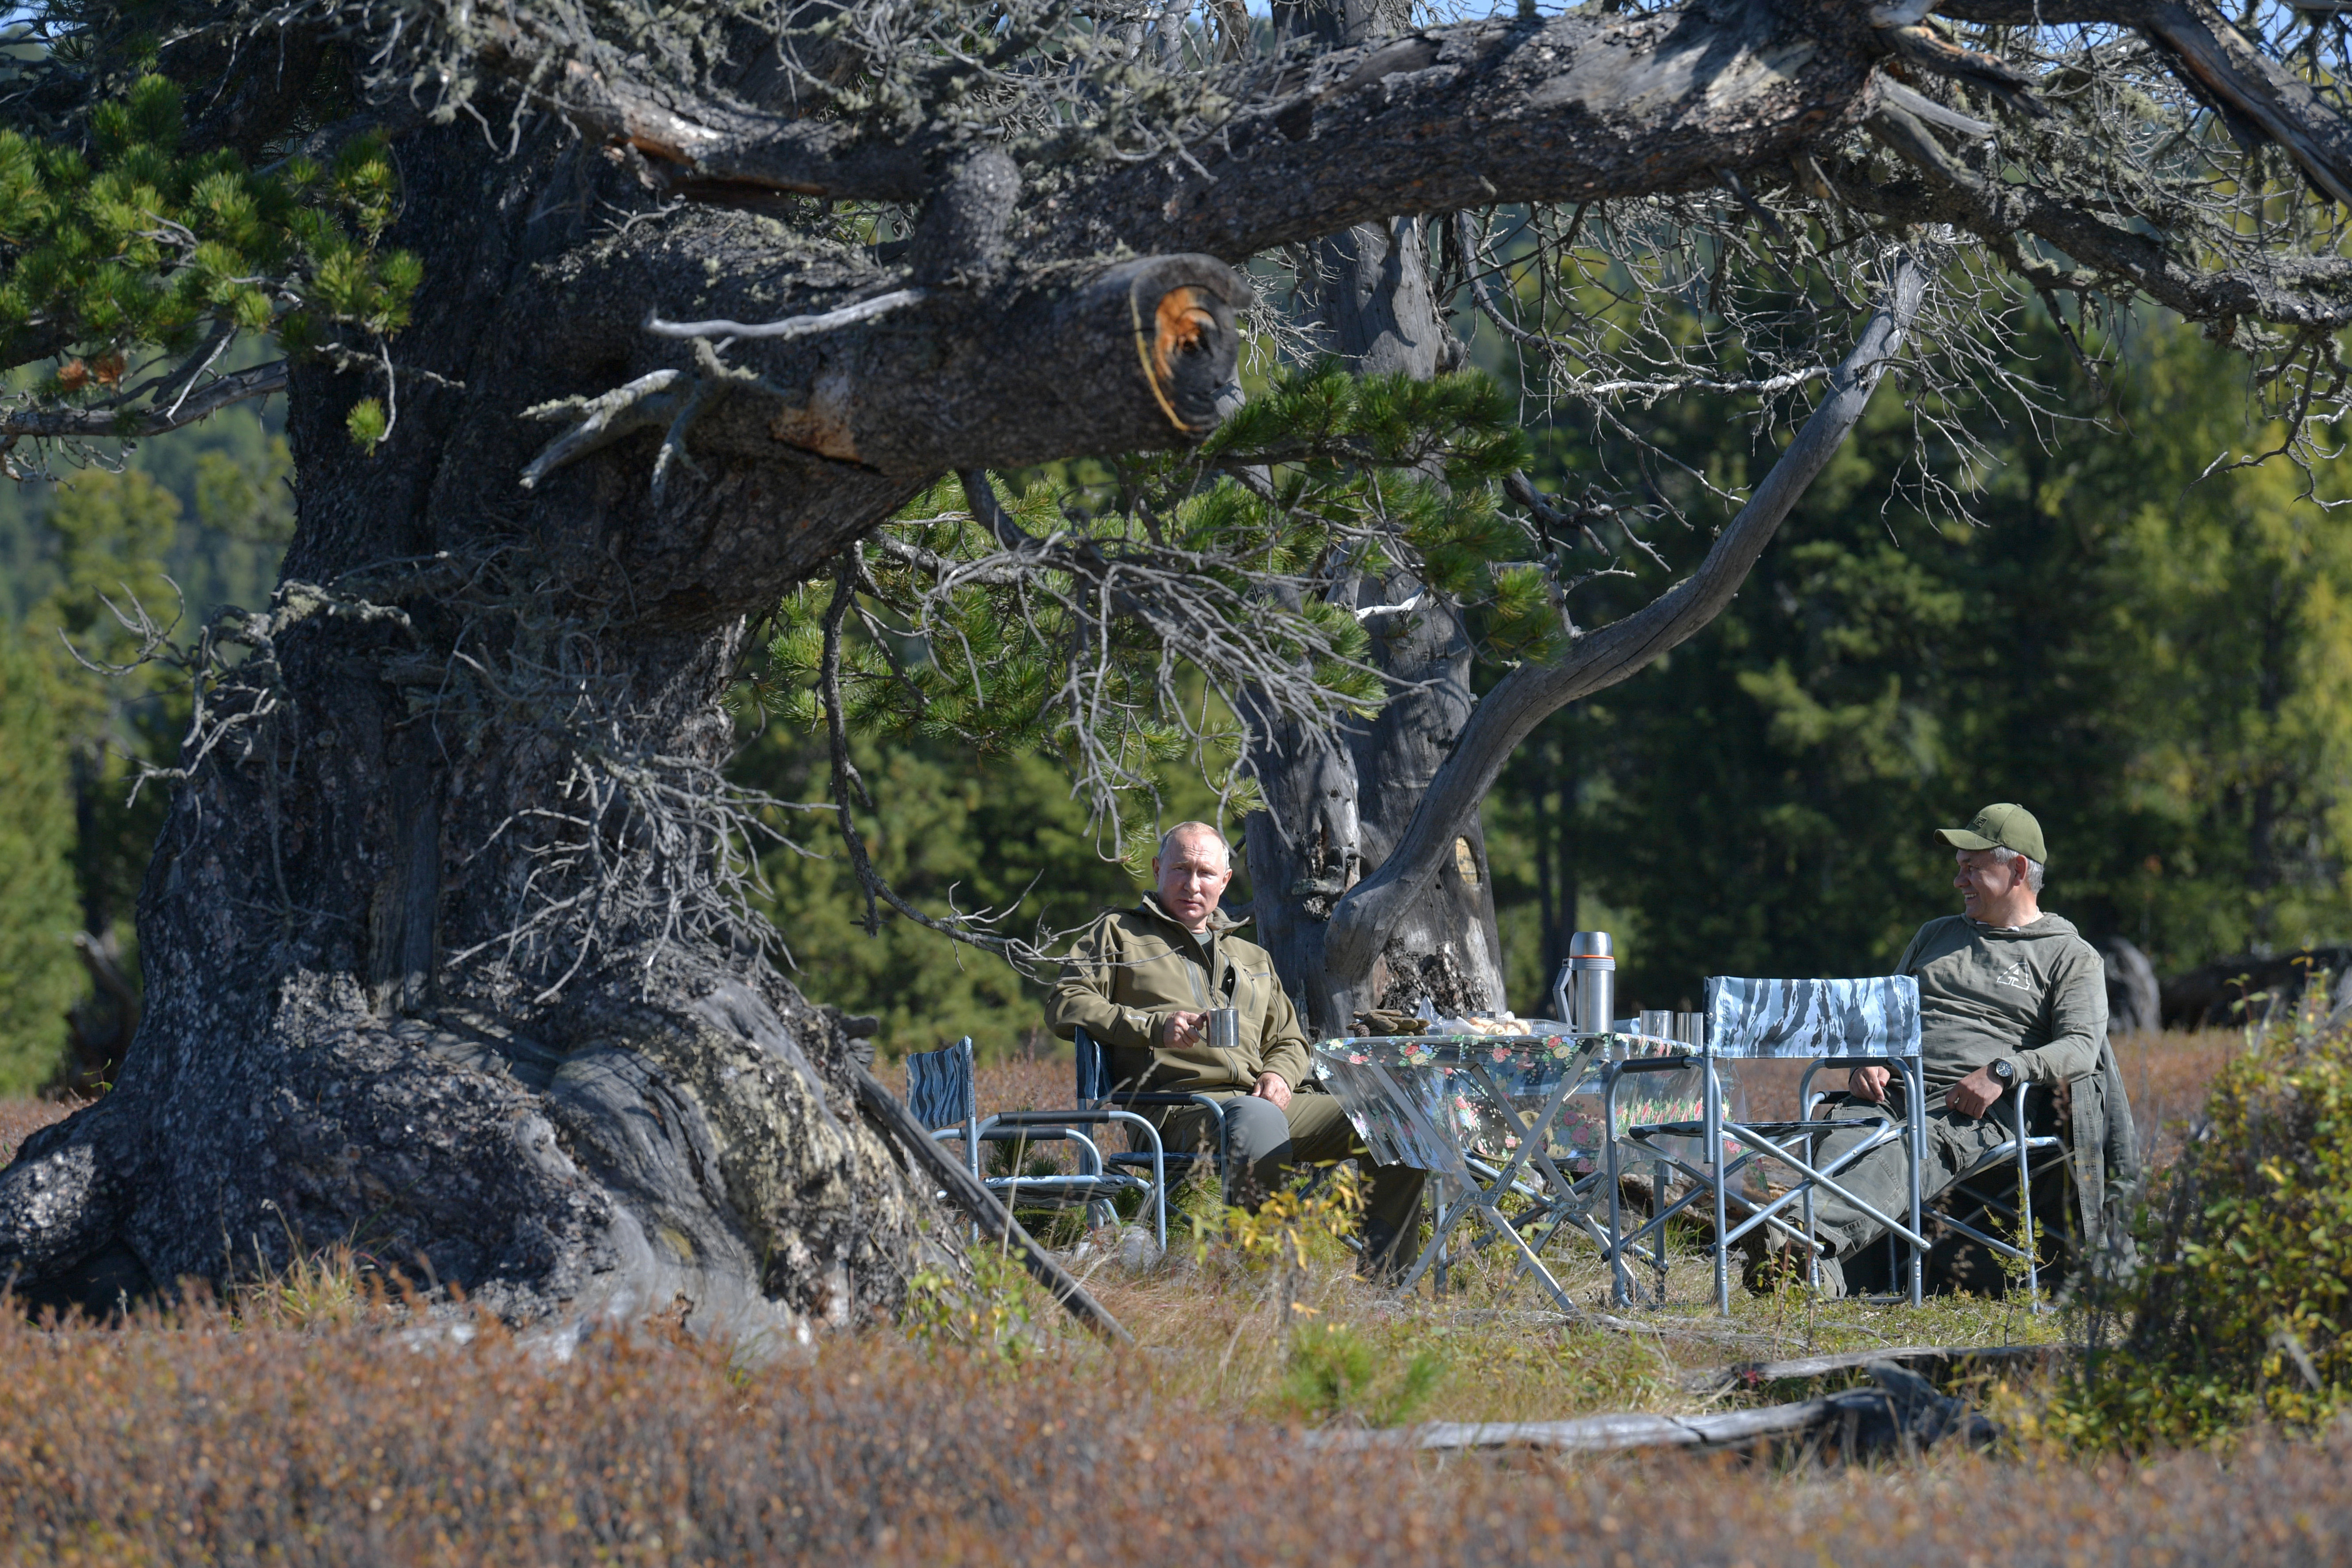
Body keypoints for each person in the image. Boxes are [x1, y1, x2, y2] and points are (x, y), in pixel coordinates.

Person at [1762, 803, 2139, 1295]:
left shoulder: (2068, 955)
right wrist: (1868, 1059)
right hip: (1894, 1089)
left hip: (1977, 1106)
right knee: (1848, 1133)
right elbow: (1883, 1018)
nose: (1959, 880)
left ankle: (1797, 1246)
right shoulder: (1934, 936)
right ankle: (1804, 1261)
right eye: (1958, 867)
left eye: (1972, 868)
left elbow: (2082, 1048)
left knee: (1910, 1146)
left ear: (2019, 870)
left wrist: (2004, 1070)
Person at [1046, 822, 1426, 1277]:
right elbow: (1066, 1003)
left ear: (1225, 882)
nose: (1192, 885)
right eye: (1180, 870)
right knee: (1258, 1119)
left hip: (1261, 1104)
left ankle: (1389, 1284)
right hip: (1178, 1109)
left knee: (1395, 1119)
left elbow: (1289, 1039)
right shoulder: (1120, 934)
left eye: (1206, 873)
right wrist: (1153, 1028)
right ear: (1156, 870)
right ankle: (1259, 1283)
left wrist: (1281, 1075)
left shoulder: (1251, 957)